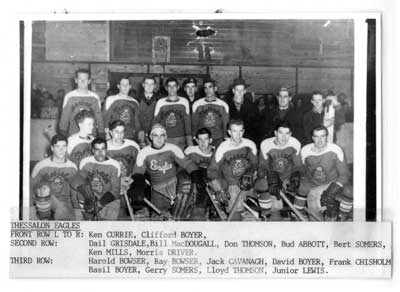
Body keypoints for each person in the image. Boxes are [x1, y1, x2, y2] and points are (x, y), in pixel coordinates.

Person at [132, 124, 201, 220]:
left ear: (166, 137)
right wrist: (137, 187)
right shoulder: (144, 152)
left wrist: (196, 175)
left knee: (182, 214)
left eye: (162, 135)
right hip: (158, 189)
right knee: (159, 217)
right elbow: (138, 172)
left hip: (175, 185)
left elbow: (187, 163)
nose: (159, 138)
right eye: (155, 135)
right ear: (151, 137)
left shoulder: (173, 148)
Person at [296, 125, 353, 221]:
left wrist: (335, 186)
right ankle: (300, 214)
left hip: (332, 181)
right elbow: (302, 169)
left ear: (327, 136)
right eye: (317, 137)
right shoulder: (305, 150)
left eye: (323, 136)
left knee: (349, 191)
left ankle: (343, 216)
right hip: (314, 184)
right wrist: (297, 175)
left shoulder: (335, 149)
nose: (320, 140)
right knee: (304, 190)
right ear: (312, 138)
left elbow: (345, 173)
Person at [207, 119, 258, 221]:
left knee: (265, 184)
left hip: (247, 179)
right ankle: (235, 216)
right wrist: (218, 189)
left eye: (240, 131)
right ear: (229, 132)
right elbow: (212, 171)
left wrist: (250, 172)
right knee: (235, 203)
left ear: (243, 131)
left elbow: (255, 163)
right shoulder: (222, 148)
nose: (238, 135)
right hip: (232, 183)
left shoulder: (250, 144)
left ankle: (252, 202)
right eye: (234, 131)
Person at [257, 121, 303, 220]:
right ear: (275, 133)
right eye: (281, 133)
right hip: (271, 180)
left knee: (303, 185)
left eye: (287, 133)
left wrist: (295, 176)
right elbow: (262, 167)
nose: (284, 137)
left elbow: (298, 166)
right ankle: (266, 213)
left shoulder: (295, 143)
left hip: (286, 178)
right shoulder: (266, 144)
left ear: (290, 134)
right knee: (276, 218)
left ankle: (295, 212)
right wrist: (269, 176)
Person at [30, 134, 79, 220]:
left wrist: (77, 210)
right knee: (44, 187)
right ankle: (45, 219)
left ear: (67, 147)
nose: (61, 149)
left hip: (65, 204)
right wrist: (31, 210)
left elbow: (75, 192)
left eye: (64, 146)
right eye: (57, 146)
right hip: (45, 203)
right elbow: (30, 188)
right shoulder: (41, 165)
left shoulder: (72, 167)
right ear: (52, 148)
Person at [76, 137, 122, 220]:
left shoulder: (114, 165)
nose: (100, 153)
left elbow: (116, 190)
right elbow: (79, 182)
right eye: (97, 149)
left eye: (103, 149)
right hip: (92, 198)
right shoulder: (86, 162)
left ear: (106, 149)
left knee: (105, 226)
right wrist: (88, 199)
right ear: (93, 150)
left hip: (109, 199)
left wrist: (101, 203)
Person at [59, 69, 104, 137]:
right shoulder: (69, 96)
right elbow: (64, 119)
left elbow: (99, 118)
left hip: (91, 136)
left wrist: (101, 133)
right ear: (76, 80)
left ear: (89, 81)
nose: (82, 81)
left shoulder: (95, 97)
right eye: (80, 79)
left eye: (85, 79)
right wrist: (62, 135)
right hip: (73, 135)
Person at [153, 77, 192, 150]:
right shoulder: (160, 102)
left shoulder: (184, 101)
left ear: (177, 87)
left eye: (174, 86)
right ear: (166, 88)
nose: (172, 88)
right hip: (165, 138)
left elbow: (187, 123)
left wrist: (189, 141)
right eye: (169, 86)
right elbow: (155, 122)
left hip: (180, 139)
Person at [184, 128, 215, 219]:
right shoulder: (190, 151)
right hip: (195, 183)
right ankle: (196, 209)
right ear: (196, 140)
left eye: (205, 139)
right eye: (200, 140)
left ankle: (211, 208)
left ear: (210, 140)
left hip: (211, 184)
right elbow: (181, 167)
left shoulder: (217, 152)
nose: (203, 143)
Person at [192, 78, 229, 147]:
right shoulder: (197, 104)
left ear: (215, 88)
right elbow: (194, 125)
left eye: (210, 87)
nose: (208, 90)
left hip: (218, 139)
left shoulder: (223, 105)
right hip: (203, 140)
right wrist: (195, 139)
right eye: (205, 88)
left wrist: (226, 141)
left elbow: (226, 125)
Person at [103, 77, 142, 142]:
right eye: (123, 84)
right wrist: (107, 134)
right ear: (118, 86)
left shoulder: (135, 102)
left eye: (127, 84)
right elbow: (105, 118)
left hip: (130, 136)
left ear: (130, 86)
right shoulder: (111, 99)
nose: (125, 86)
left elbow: (137, 121)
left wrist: (139, 133)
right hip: (115, 136)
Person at [226, 78, 260, 145]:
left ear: (245, 91)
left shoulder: (252, 106)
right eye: (237, 90)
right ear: (233, 91)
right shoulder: (226, 105)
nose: (239, 92)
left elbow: (256, 126)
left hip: (247, 140)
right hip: (230, 140)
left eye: (242, 90)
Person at [137, 76, 162, 146]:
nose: (149, 86)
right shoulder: (137, 99)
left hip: (155, 133)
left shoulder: (159, 100)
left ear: (154, 86)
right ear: (143, 85)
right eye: (147, 84)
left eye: (151, 84)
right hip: (140, 133)